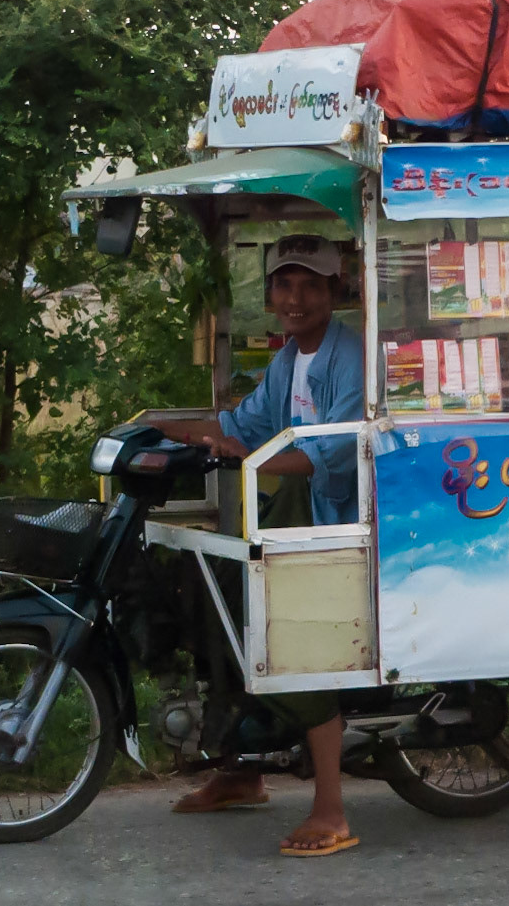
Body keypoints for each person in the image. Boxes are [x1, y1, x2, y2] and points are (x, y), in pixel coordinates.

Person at [156, 233, 363, 857]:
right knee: (219, 606)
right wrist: (160, 429)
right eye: (285, 285)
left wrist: (256, 455)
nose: (295, 298)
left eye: (310, 286)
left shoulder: (345, 355)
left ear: (333, 292)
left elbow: (339, 456)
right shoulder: (287, 360)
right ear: (271, 294)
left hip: (340, 518)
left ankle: (331, 809)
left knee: (294, 640)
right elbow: (244, 425)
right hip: (298, 510)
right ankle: (240, 769)